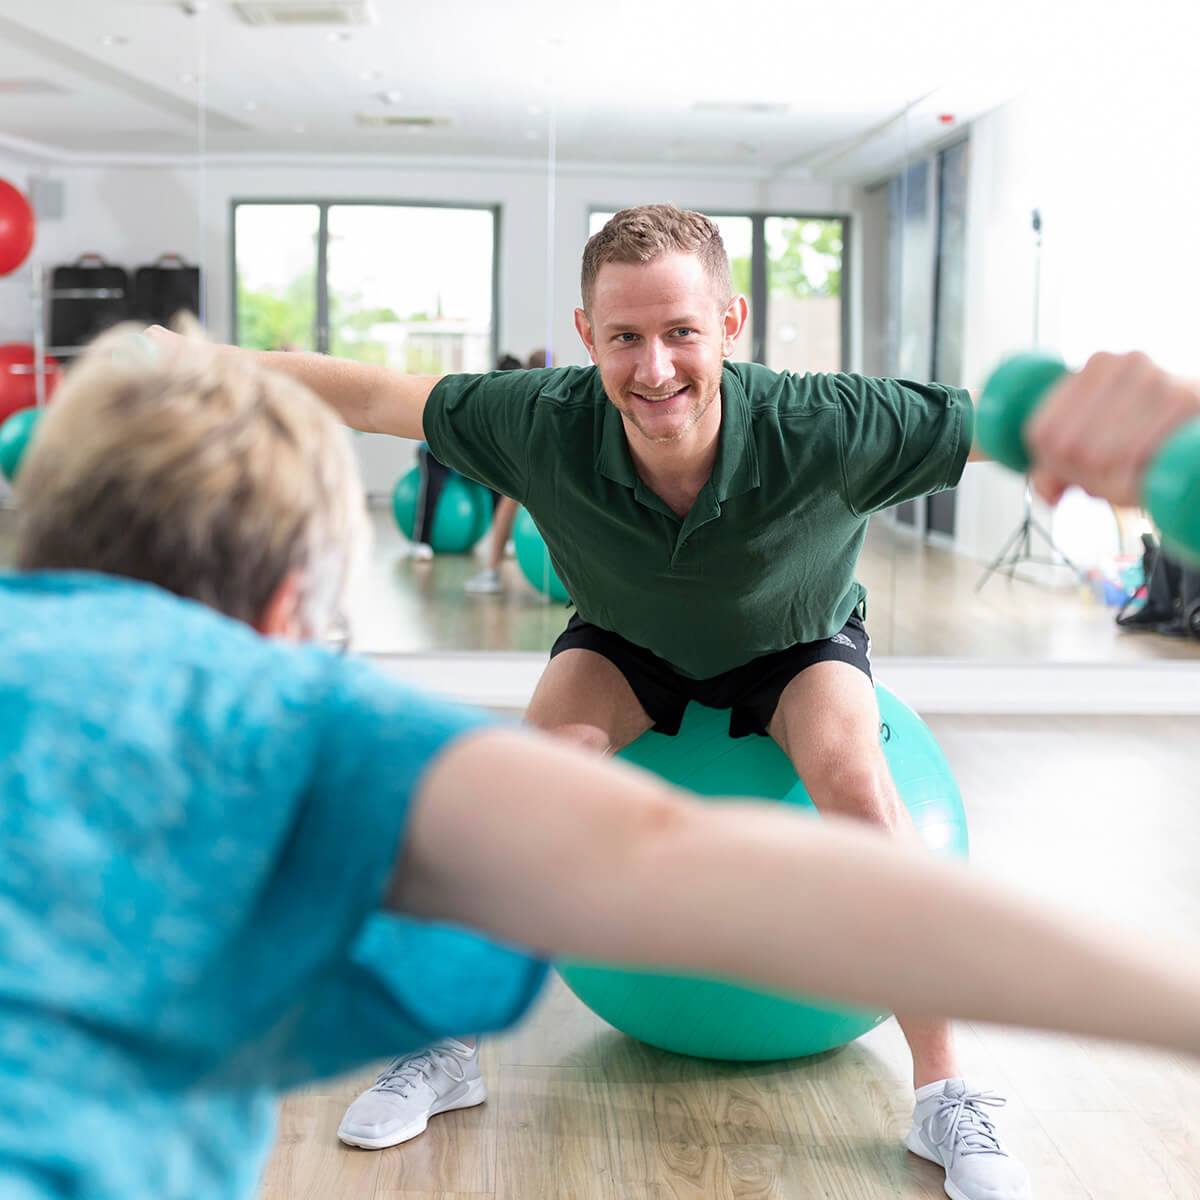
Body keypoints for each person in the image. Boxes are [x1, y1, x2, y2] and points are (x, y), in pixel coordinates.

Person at [144, 209, 1200, 1200]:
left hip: (796, 643)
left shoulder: (831, 423)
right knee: (522, 785)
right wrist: (197, 367)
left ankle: (944, 1091)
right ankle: (448, 1044)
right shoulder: (540, 419)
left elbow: (998, 429)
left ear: (731, 324)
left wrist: (1129, 432)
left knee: (857, 788)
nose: (655, 369)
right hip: (626, 640)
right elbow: (372, 395)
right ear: (585, 335)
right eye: (625, 338)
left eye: (683, 332)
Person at [464, 348, 555, 596]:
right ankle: (492, 571)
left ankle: (492, 572)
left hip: (541, 467)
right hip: (541, 465)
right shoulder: (552, 388)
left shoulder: (530, 392)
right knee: (509, 500)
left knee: (508, 503)